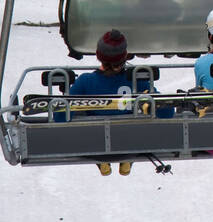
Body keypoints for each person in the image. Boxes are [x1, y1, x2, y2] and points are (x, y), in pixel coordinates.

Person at [58, 29, 172, 175]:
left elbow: (60, 117)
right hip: (132, 146)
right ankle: (127, 160)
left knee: (82, 111)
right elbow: (167, 113)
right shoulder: (137, 80)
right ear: (124, 56)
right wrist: (151, 100)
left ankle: (102, 160)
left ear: (99, 56)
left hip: (95, 147)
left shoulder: (85, 82)